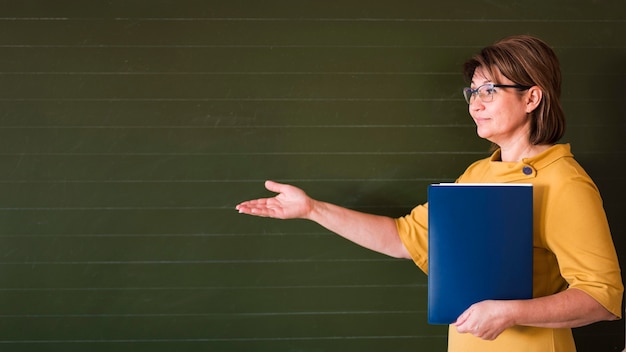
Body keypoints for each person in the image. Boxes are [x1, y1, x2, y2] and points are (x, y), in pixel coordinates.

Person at [235, 35, 623, 351]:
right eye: (472, 92)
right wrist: (312, 209)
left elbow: (602, 298)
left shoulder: (564, 182)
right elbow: (404, 237)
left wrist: (509, 312)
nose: (476, 105)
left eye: (489, 90)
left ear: (532, 98)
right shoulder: (478, 173)